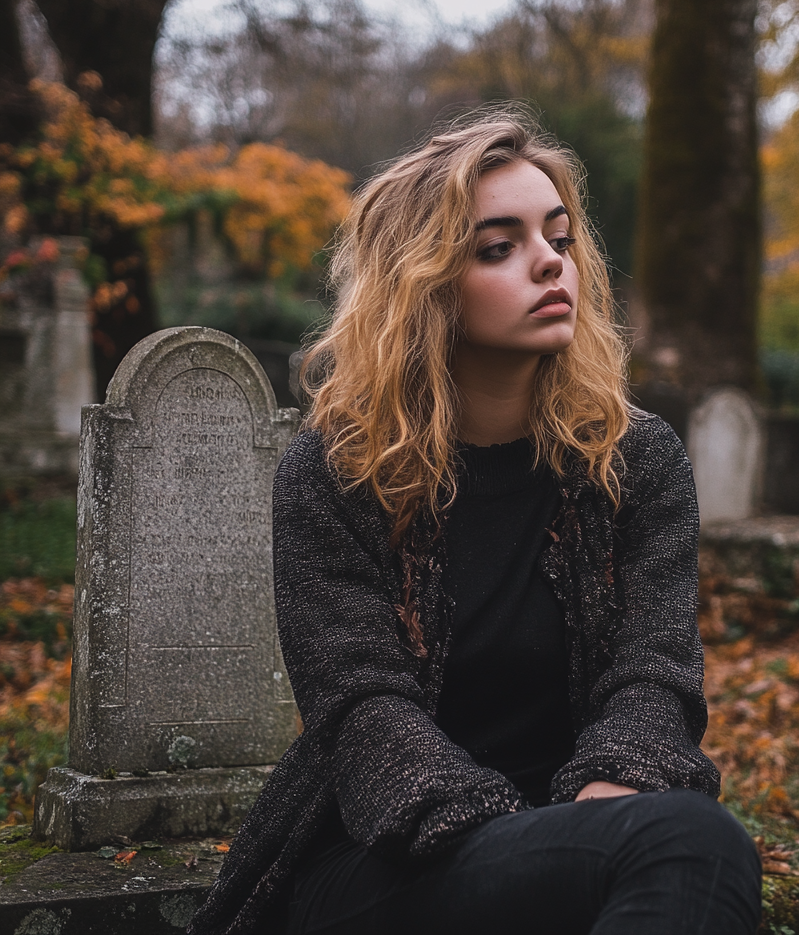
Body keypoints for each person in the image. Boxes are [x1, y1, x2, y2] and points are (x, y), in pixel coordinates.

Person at [186, 108, 761, 935]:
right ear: (421, 287)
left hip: (573, 831)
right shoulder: (340, 474)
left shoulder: (635, 460)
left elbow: (657, 670)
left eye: (558, 240)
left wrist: (611, 794)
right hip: (384, 864)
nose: (547, 265)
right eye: (498, 247)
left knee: (685, 846)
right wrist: (522, 840)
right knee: (691, 845)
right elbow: (360, 707)